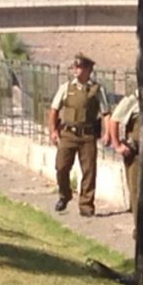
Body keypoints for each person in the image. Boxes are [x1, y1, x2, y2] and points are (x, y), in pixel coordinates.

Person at [48, 53, 111, 217]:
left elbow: (106, 113)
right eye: (75, 67)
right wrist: (53, 131)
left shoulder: (97, 89)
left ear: (89, 70)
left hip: (88, 136)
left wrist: (107, 133)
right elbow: (54, 109)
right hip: (68, 134)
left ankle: (86, 205)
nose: (76, 70)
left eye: (80, 67)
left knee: (89, 171)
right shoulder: (66, 87)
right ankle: (64, 195)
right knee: (61, 167)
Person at [109, 89, 140, 223]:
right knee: (136, 191)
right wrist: (117, 145)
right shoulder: (132, 100)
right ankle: (140, 227)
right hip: (136, 154)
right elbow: (114, 120)